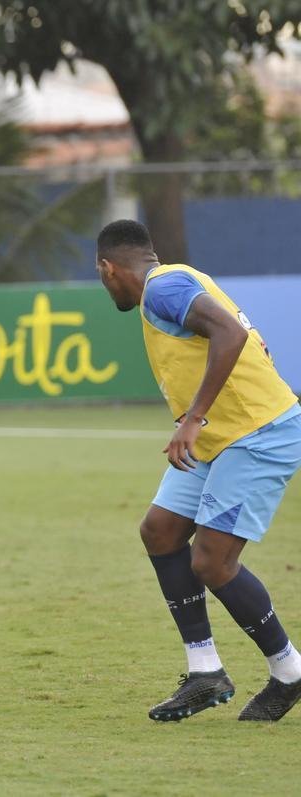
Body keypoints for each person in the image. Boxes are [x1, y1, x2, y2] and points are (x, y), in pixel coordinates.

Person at [96, 219, 301, 723]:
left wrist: (192, 417)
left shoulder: (162, 288)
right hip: (217, 438)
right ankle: (205, 671)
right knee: (161, 531)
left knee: (213, 563)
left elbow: (229, 332)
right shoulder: (171, 284)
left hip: (257, 432)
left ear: (108, 269)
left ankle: (291, 671)